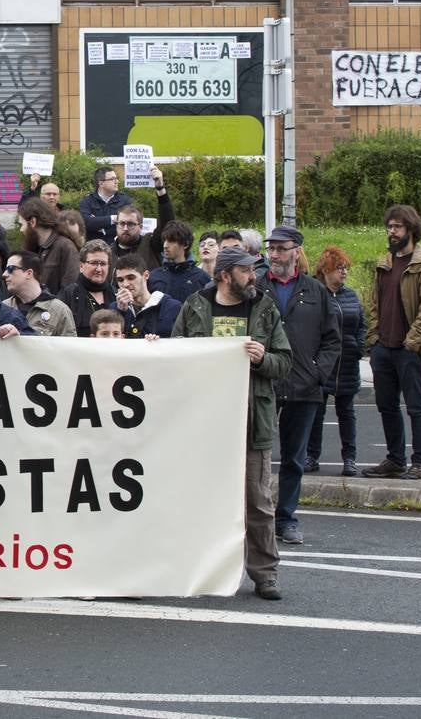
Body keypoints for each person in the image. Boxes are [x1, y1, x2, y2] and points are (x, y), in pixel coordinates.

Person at [171, 246, 292, 601]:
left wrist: (263, 358)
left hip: (252, 421)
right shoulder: (194, 306)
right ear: (224, 275)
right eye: (245, 271)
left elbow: (285, 362)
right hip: (206, 423)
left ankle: (265, 574)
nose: (253, 276)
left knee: (257, 501)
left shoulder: (264, 308)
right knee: (202, 499)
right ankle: (200, 569)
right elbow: (175, 354)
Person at [258, 225, 339, 546]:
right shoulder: (257, 288)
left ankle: (286, 518)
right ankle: (256, 515)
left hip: (304, 386)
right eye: (271, 248)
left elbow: (333, 339)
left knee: (294, 457)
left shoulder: (315, 291)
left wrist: (319, 372)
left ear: (296, 251)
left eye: (281, 248)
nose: (274, 254)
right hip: (263, 382)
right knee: (256, 455)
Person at [362, 205, 421, 481]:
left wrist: (411, 343)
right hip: (383, 348)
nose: (391, 231)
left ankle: (420, 463)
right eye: (390, 226)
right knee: (386, 406)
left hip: (411, 351)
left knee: (416, 406)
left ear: (411, 229)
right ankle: (395, 460)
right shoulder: (384, 263)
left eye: (397, 227)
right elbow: (374, 304)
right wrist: (375, 340)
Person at [308, 246, 364, 477]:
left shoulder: (350, 296)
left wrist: (358, 346)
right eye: (339, 268)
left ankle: (350, 458)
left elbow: (362, 325)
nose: (344, 273)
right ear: (325, 270)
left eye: (345, 268)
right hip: (324, 363)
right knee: (316, 412)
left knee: (347, 412)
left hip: (348, 363)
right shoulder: (315, 294)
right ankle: (312, 455)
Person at [1, 250, 76, 337]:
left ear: (29, 273)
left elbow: (69, 347)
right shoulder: (3, 308)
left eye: (10, 269)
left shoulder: (59, 310)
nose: (4, 274)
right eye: (5, 269)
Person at [16, 198, 80, 293]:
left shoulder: (66, 247)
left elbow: (69, 290)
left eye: (22, 224)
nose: (21, 230)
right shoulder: (32, 249)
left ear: (33, 222)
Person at [56, 241, 117, 338]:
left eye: (103, 264)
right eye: (94, 263)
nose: (99, 269)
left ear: (109, 266)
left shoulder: (116, 295)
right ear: (81, 266)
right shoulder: (68, 295)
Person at [113, 254, 183, 339]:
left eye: (131, 278)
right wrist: (121, 312)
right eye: (120, 280)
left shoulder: (171, 307)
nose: (125, 284)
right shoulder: (114, 308)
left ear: (146, 275)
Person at [78, 165, 134, 246]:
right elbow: (86, 223)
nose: (117, 181)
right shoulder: (88, 201)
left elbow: (129, 223)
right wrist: (113, 219)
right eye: (112, 179)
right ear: (101, 183)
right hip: (93, 248)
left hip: (118, 248)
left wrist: (99, 225)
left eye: (116, 178)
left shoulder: (125, 201)